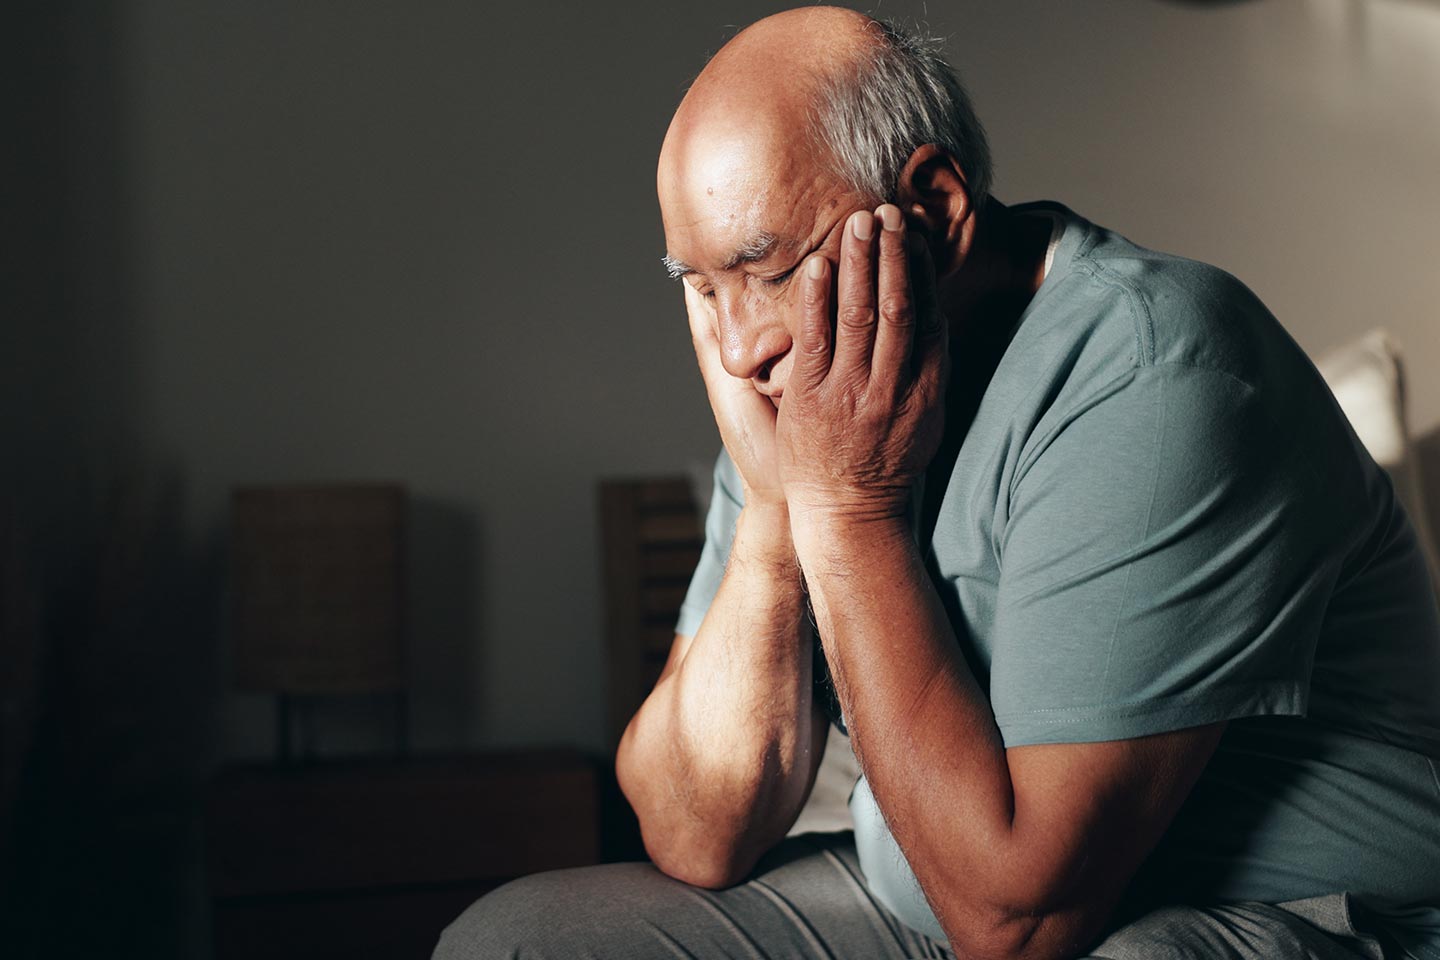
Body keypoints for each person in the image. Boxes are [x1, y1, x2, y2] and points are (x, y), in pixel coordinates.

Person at [435, 7, 1440, 959]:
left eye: (769, 268)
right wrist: (778, 504)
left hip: (1281, 911)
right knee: (518, 937)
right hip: (931, 894)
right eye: (701, 289)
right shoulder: (796, 377)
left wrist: (847, 503)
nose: (738, 348)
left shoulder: (1158, 369)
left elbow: (1019, 923)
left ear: (936, 210)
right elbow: (698, 833)